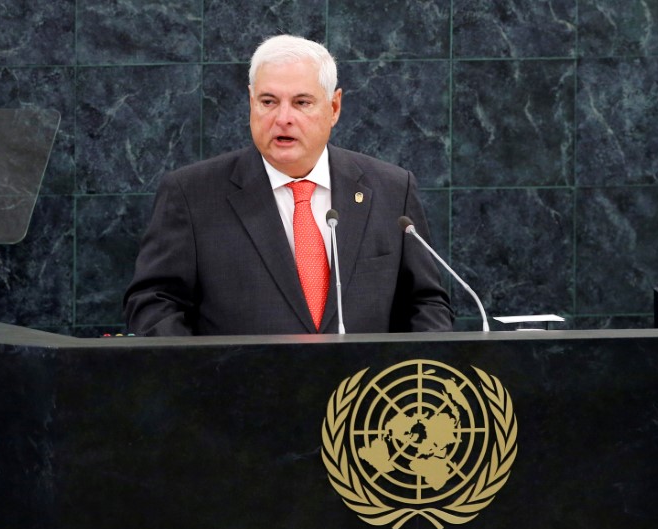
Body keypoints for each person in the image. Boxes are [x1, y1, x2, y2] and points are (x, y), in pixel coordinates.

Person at [123, 34, 453, 336]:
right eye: (268, 102)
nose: (283, 118)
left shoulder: (392, 189)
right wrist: (200, 381)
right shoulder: (191, 194)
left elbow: (425, 304)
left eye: (301, 103)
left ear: (334, 107)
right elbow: (154, 303)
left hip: (365, 395)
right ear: (251, 102)